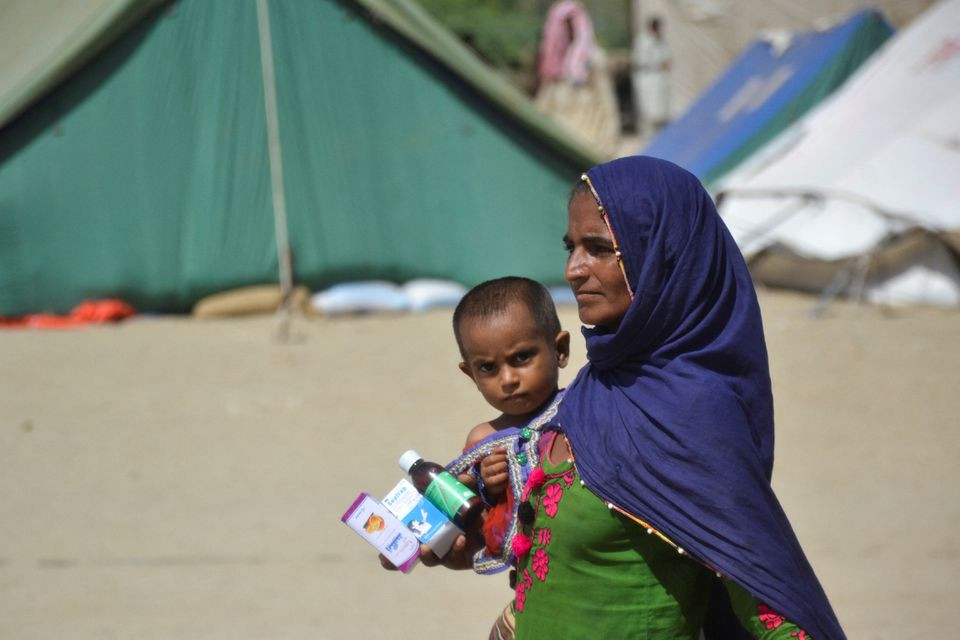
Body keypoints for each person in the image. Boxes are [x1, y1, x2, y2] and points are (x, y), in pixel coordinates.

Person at [423, 157, 846, 639]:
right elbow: (542, 553)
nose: (573, 269)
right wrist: (462, 542)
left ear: (661, 255)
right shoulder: (583, 397)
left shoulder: (692, 414)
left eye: (599, 249)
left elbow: (765, 596)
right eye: (571, 248)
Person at [632, 16, 672, 134]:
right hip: (648, 78)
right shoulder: (643, 42)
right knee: (649, 109)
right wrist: (657, 65)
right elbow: (641, 61)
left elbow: (667, 58)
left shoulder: (662, 40)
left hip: (660, 79)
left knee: (662, 109)